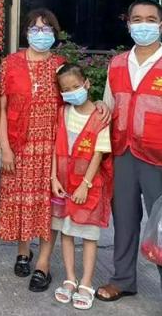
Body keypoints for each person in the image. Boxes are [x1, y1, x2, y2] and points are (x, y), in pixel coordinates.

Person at [97, 0, 162, 316]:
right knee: (125, 223)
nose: (144, 24)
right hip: (123, 154)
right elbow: (109, 107)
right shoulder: (116, 64)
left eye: (151, 19)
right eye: (137, 19)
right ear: (128, 24)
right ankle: (123, 279)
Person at [0, 8, 66, 292]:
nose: (41, 34)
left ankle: (44, 263)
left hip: (51, 148)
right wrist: (5, 147)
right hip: (18, 145)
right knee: (20, 201)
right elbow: (0, 108)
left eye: (46, 29)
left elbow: (74, 102)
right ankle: (23, 251)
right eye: (35, 28)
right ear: (25, 32)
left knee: (48, 203)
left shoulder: (61, 66)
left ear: (55, 34)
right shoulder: (10, 64)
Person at [51, 63, 113, 310]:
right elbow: (56, 147)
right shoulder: (62, 113)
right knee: (66, 233)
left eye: (76, 86)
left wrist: (85, 185)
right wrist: (53, 178)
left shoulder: (100, 117)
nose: (72, 92)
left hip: (87, 187)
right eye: (66, 89)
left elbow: (98, 154)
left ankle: (86, 282)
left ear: (87, 84)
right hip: (64, 185)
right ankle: (70, 278)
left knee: (88, 235)